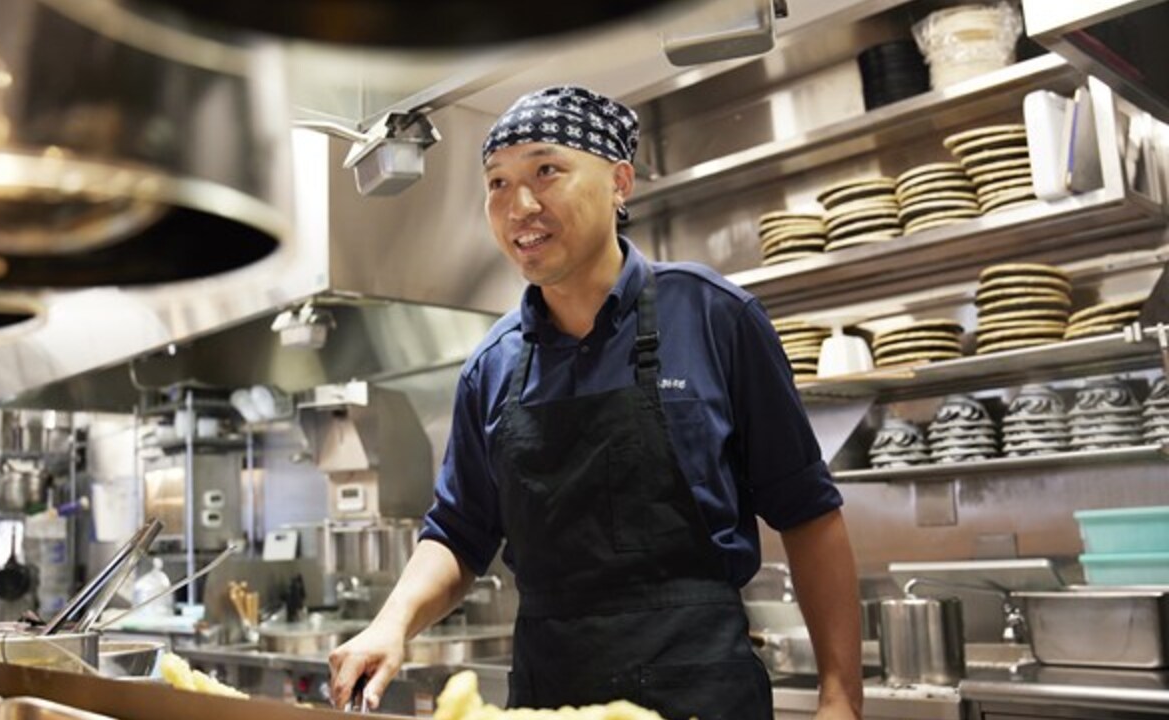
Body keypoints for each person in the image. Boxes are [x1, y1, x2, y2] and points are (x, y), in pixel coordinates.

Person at [329, 86, 863, 720]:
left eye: (546, 170)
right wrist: (392, 624)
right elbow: (458, 533)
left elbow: (808, 513)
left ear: (620, 181)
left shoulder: (716, 317)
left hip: (701, 691)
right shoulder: (492, 367)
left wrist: (841, 697)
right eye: (497, 182)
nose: (519, 205)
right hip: (550, 696)